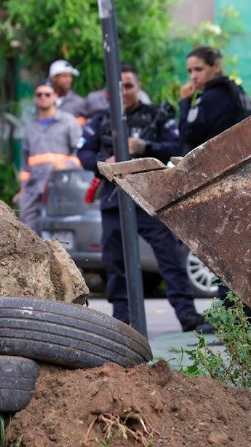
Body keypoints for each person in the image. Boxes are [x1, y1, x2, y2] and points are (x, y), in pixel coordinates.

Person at [79, 64, 210, 333]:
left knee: (170, 258)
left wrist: (145, 147)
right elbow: (83, 154)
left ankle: (187, 315)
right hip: (115, 200)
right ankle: (122, 320)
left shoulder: (155, 116)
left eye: (128, 85)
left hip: (149, 200)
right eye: (118, 87)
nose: (124, 92)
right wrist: (104, 163)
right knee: (115, 263)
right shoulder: (100, 120)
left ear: (138, 87)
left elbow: (177, 147)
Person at [16, 80, 82, 233]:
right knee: (27, 231)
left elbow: (80, 153)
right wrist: (23, 189)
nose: (43, 97)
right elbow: (25, 164)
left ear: (55, 96)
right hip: (34, 189)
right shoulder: (30, 127)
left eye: (47, 94)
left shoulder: (68, 122)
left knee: (59, 233)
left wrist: (66, 165)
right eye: (39, 94)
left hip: (61, 187)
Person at [179, 45, 251, 152]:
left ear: (216, 66)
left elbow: (187, 137)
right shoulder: (232, 89)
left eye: (198, 69)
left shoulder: (214, 96)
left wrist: (185, 101)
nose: (193, 76)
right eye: (190, 71)